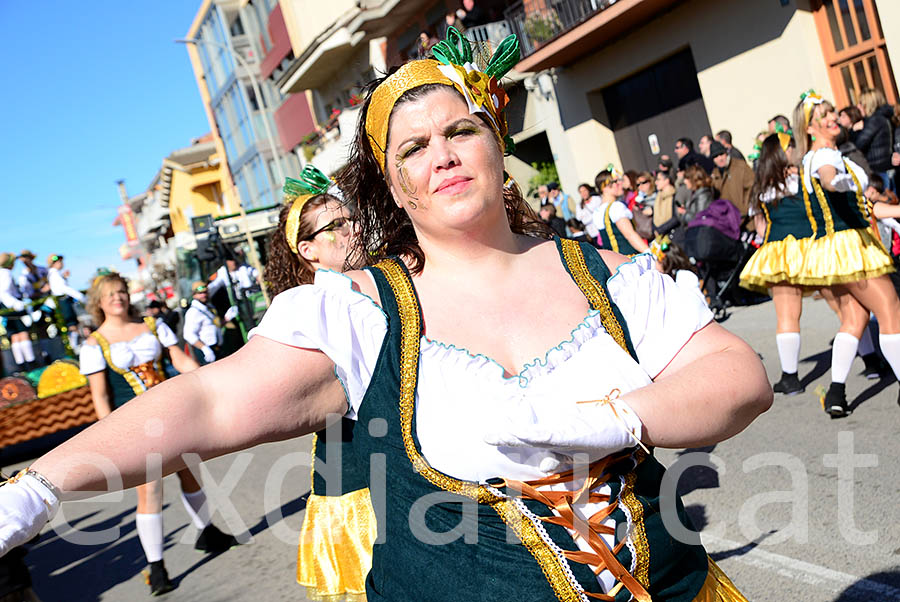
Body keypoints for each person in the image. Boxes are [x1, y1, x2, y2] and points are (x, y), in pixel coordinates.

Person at [0, 29, 772, 602]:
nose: (443, 154)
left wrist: (620, 419)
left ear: (495, 143)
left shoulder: (605, 272)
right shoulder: (360, 311)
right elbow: (203, 401)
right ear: (394, 186)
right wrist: (38, 486)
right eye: (415, 147)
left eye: (461, 130)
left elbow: (737, 375)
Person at [78, 273, 237, 594]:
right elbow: (100, 396)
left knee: (190, 474)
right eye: (110, 294)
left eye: (122, 291)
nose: (118, 298)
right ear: (99, 302)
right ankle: (156, 566)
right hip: (134, 425)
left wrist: (212, 382)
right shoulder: (95, 344)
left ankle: (207, 532)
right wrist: (110, 435)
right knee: (150, 490)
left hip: (171, 413)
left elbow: (179, 360)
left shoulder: (152, 325)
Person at [265, 166, 375, 602]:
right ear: (308, 249)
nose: (353, 229)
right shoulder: (309, 306)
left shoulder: (379, 284)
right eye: (337, 225)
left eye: (352, 218)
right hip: (357, 483)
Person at [781, 91, 899, 415]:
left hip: (841, 245)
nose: (832, 117)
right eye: (823, 114)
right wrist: (839, 182)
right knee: (891, 309)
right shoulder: (823, 158)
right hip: (849, 246)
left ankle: (835, 393)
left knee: (855, 318)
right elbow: (831, 181)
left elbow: (865, 206)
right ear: (809, 127)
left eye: (832, 111)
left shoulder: (825, 156)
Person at [591, 169, 649, 254]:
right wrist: (649, 252)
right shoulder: (616, 207)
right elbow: (629, 234)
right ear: (604, 187)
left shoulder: (597, 211)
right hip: (630, 258)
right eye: (615, 182)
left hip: (614, 261)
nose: (620, 183)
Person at [854, 88, 895, 192]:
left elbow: (859, 144)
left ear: (868, 104)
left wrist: (854, 131)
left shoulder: (875, 120)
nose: (858, 107)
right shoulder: (882, 117)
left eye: (861, 103)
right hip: (885, 166)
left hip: (879, 169)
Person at [0, 253, 35, 372]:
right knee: (22, 333)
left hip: (5, 307)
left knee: (14, 335)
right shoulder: (5, 273)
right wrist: (16, 304)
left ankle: (21, 365)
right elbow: (4, 292)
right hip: (12, 306)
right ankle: (30, 362)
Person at [182, 281, 228, 365]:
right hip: (207, 351)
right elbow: (188, 335)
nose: (203, 295)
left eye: (205, 292)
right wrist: (204, 348)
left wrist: (227, 318)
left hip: (217, 348)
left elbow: (216, 324)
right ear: (194, 295)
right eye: (199, 293)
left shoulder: (208, 307)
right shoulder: (193, 312)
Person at [47, 254, 84, 351]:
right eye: (59, 261)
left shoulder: (55, 274)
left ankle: (74, 347)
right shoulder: (54, 274)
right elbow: (63, 288)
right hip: (63, 301)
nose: (62, 263)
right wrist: (80, 296)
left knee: (72, 325)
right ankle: (74, 349)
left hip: (63, 301)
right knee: (71, 325)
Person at [709, 141, 754, 216]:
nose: (720, 159)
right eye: (716, 156)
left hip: (747, 218)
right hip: (729, 220)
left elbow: (752, 187)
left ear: (726, 153)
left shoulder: (740, 166)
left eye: (721, 154)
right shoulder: (714, 175)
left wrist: (745, 207)